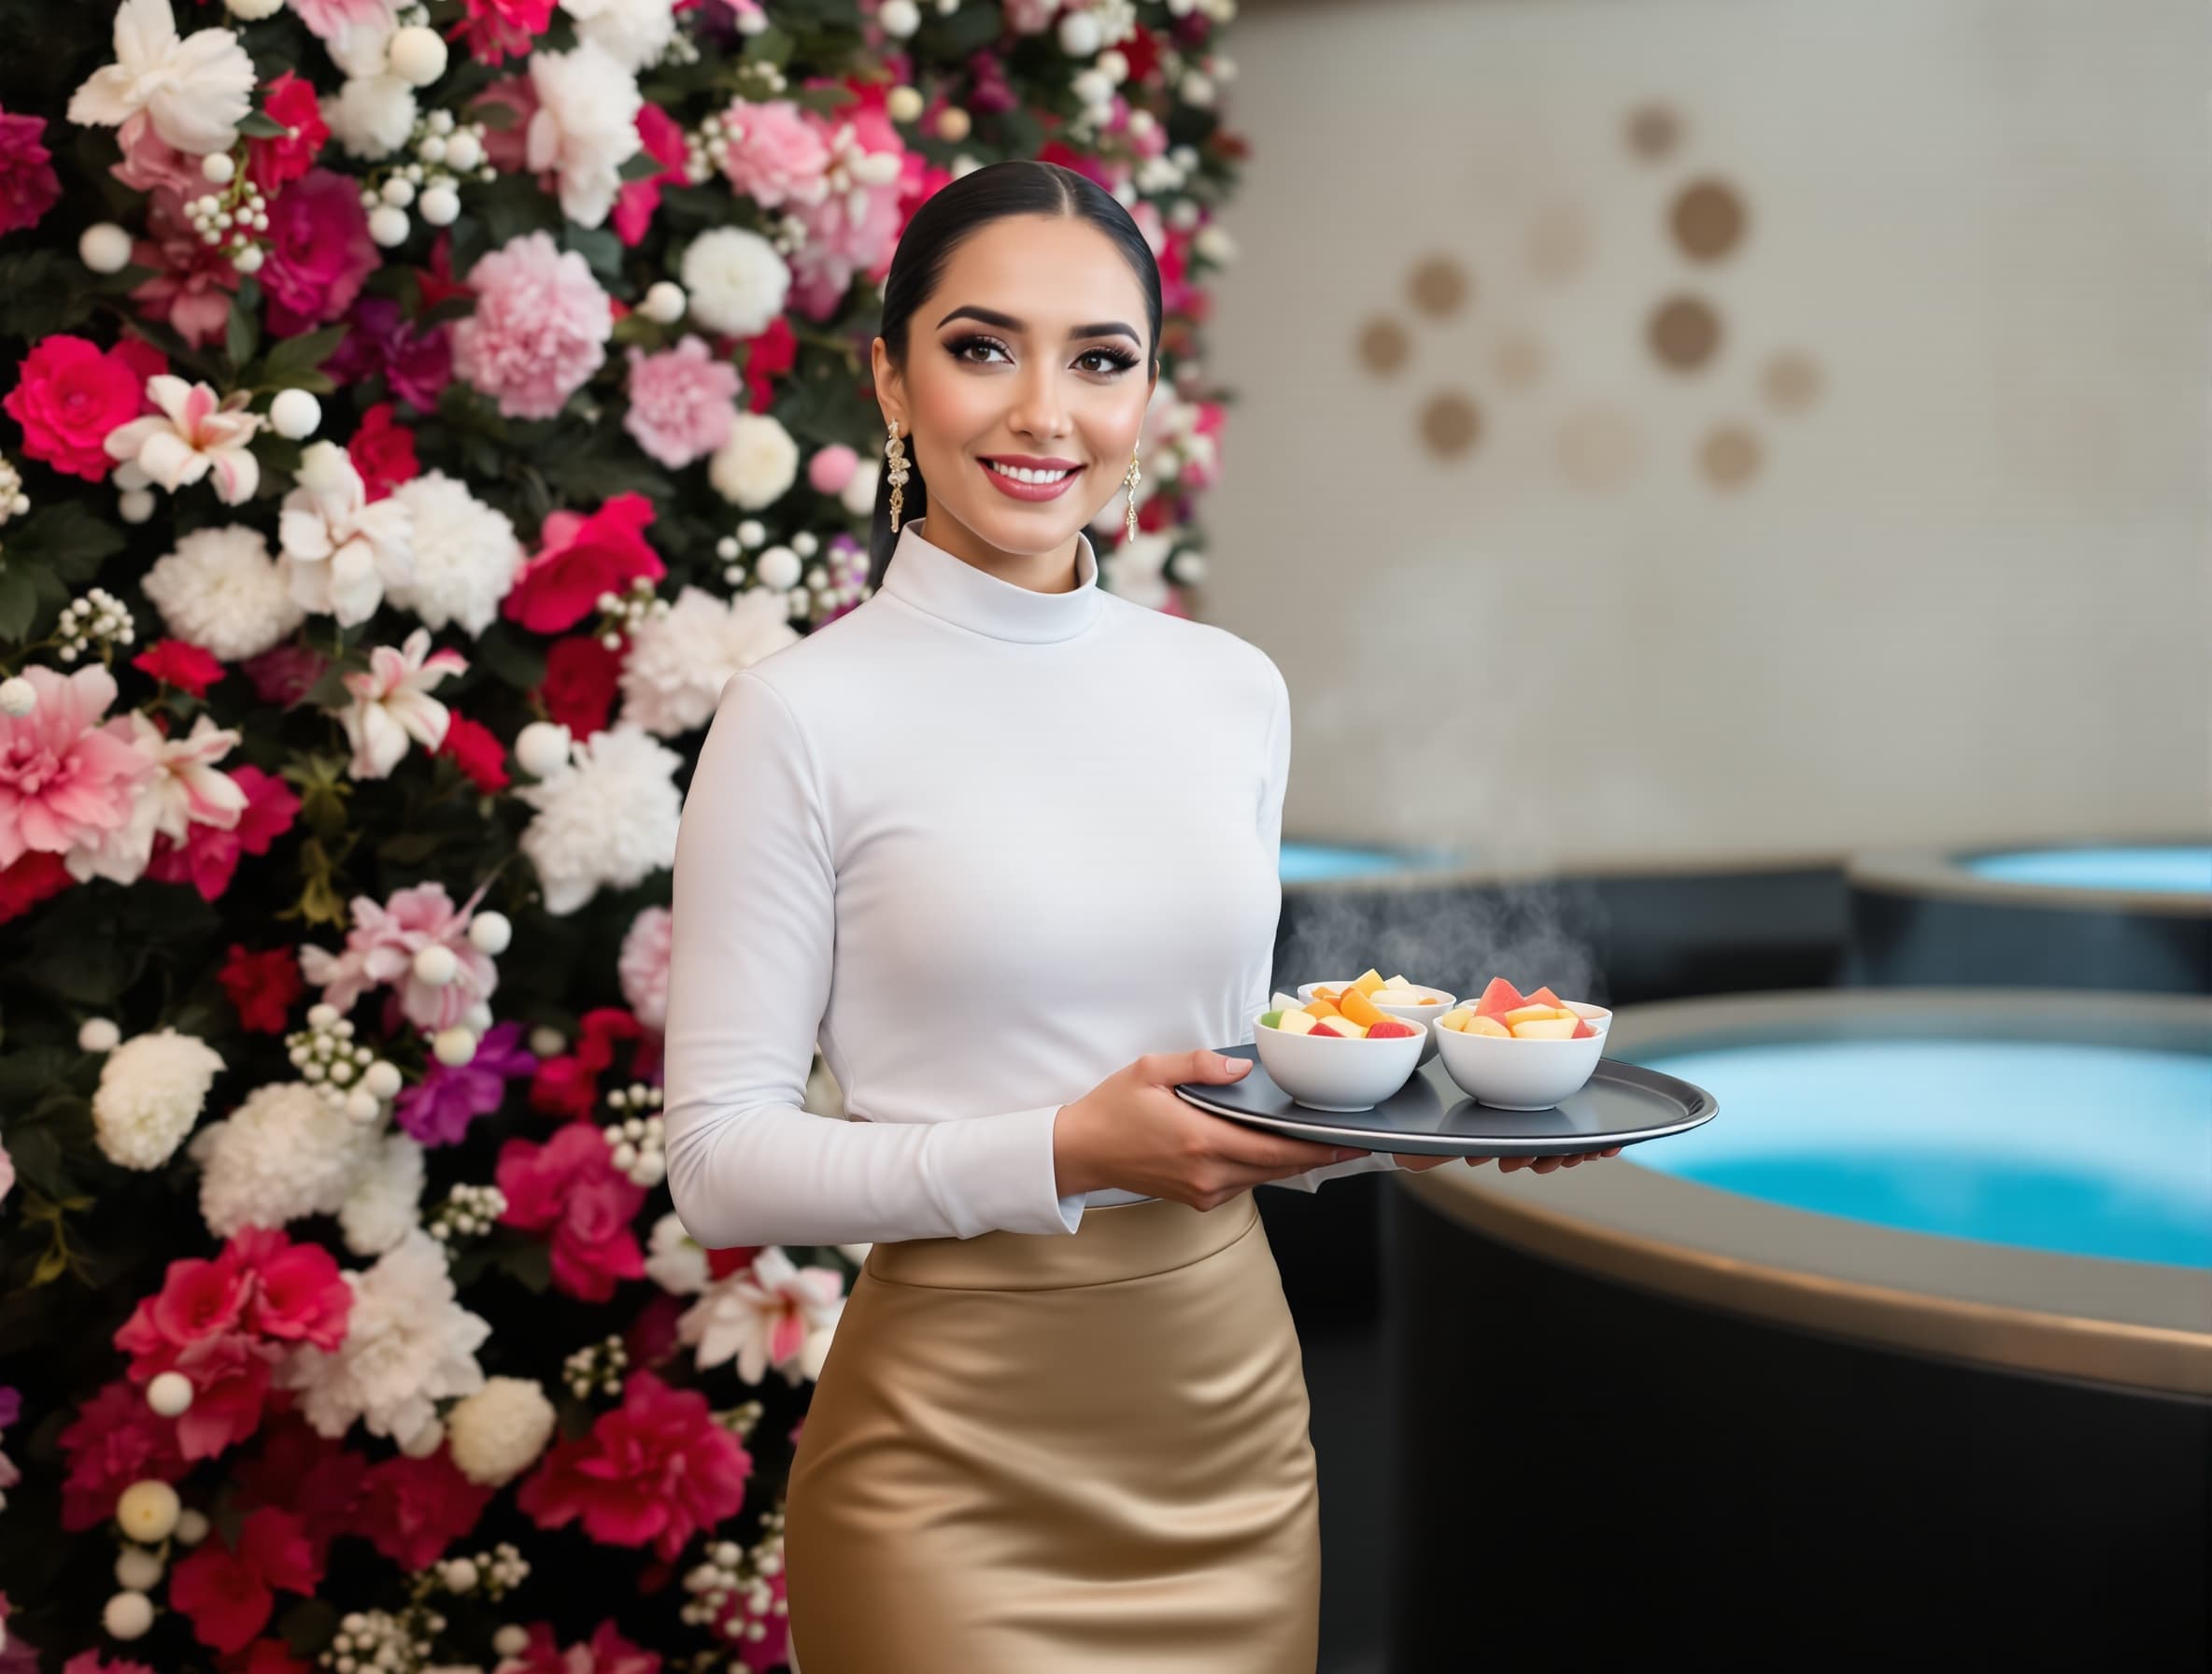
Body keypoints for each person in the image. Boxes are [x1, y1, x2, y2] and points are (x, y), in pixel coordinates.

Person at [659, 158, 1613, 1674]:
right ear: (891, 381)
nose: (1045, 413)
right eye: (984, 348)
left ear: (1149, 398)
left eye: (1100, 361)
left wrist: (1434, 1121)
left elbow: (1216, 1096)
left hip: (1226, 1427)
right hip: (947, 1462)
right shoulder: (797, 717)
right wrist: (1067, 1152)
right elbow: (719, 1167)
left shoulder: (1229, 691)